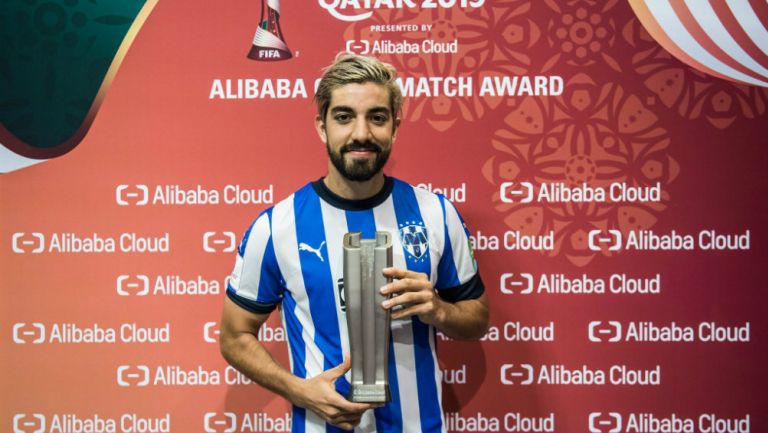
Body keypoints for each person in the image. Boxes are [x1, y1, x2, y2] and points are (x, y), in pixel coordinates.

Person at [219, 53, 489, 433]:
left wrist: (438, 310)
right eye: (344, 117)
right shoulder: (277, 226)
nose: (361, 133)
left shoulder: (437, 215)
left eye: (377, 117)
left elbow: (476, 318)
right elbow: (234, 336)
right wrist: (301, 391)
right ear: (322, 126)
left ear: (395, 127)